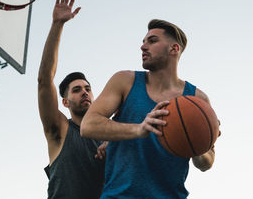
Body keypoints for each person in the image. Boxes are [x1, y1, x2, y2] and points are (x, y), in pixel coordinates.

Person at [81, 19, 218, 199]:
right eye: (144, 41)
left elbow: (206, 163)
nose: (143, 47)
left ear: (174, 49)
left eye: (152, 41)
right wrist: (138, 129)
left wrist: (198, 145)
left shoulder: (197, 99)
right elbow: (88, 126)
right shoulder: (125, 81)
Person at [37, 0, 105, 199]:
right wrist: (57, 25)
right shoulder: (60, 130)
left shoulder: (109, 134)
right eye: (77, 90)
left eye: (87, 88)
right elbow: (44, 80)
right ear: (65, 102)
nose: (84, 92)